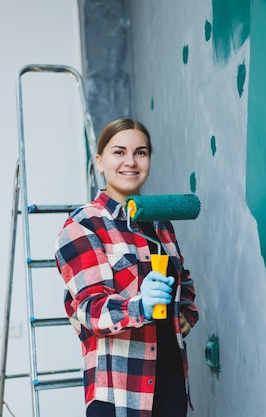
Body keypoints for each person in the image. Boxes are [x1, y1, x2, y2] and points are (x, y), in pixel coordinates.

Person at [54, 118, 199, 417]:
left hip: (171, 383)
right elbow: (91, 310)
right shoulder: (83, 226)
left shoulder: (159, 221)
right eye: (119, 152)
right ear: (100, 160)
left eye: (141, 152)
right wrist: (140, 306)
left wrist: (186, 313)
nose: (130, 162)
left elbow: (182, 277)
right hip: (120, 394)